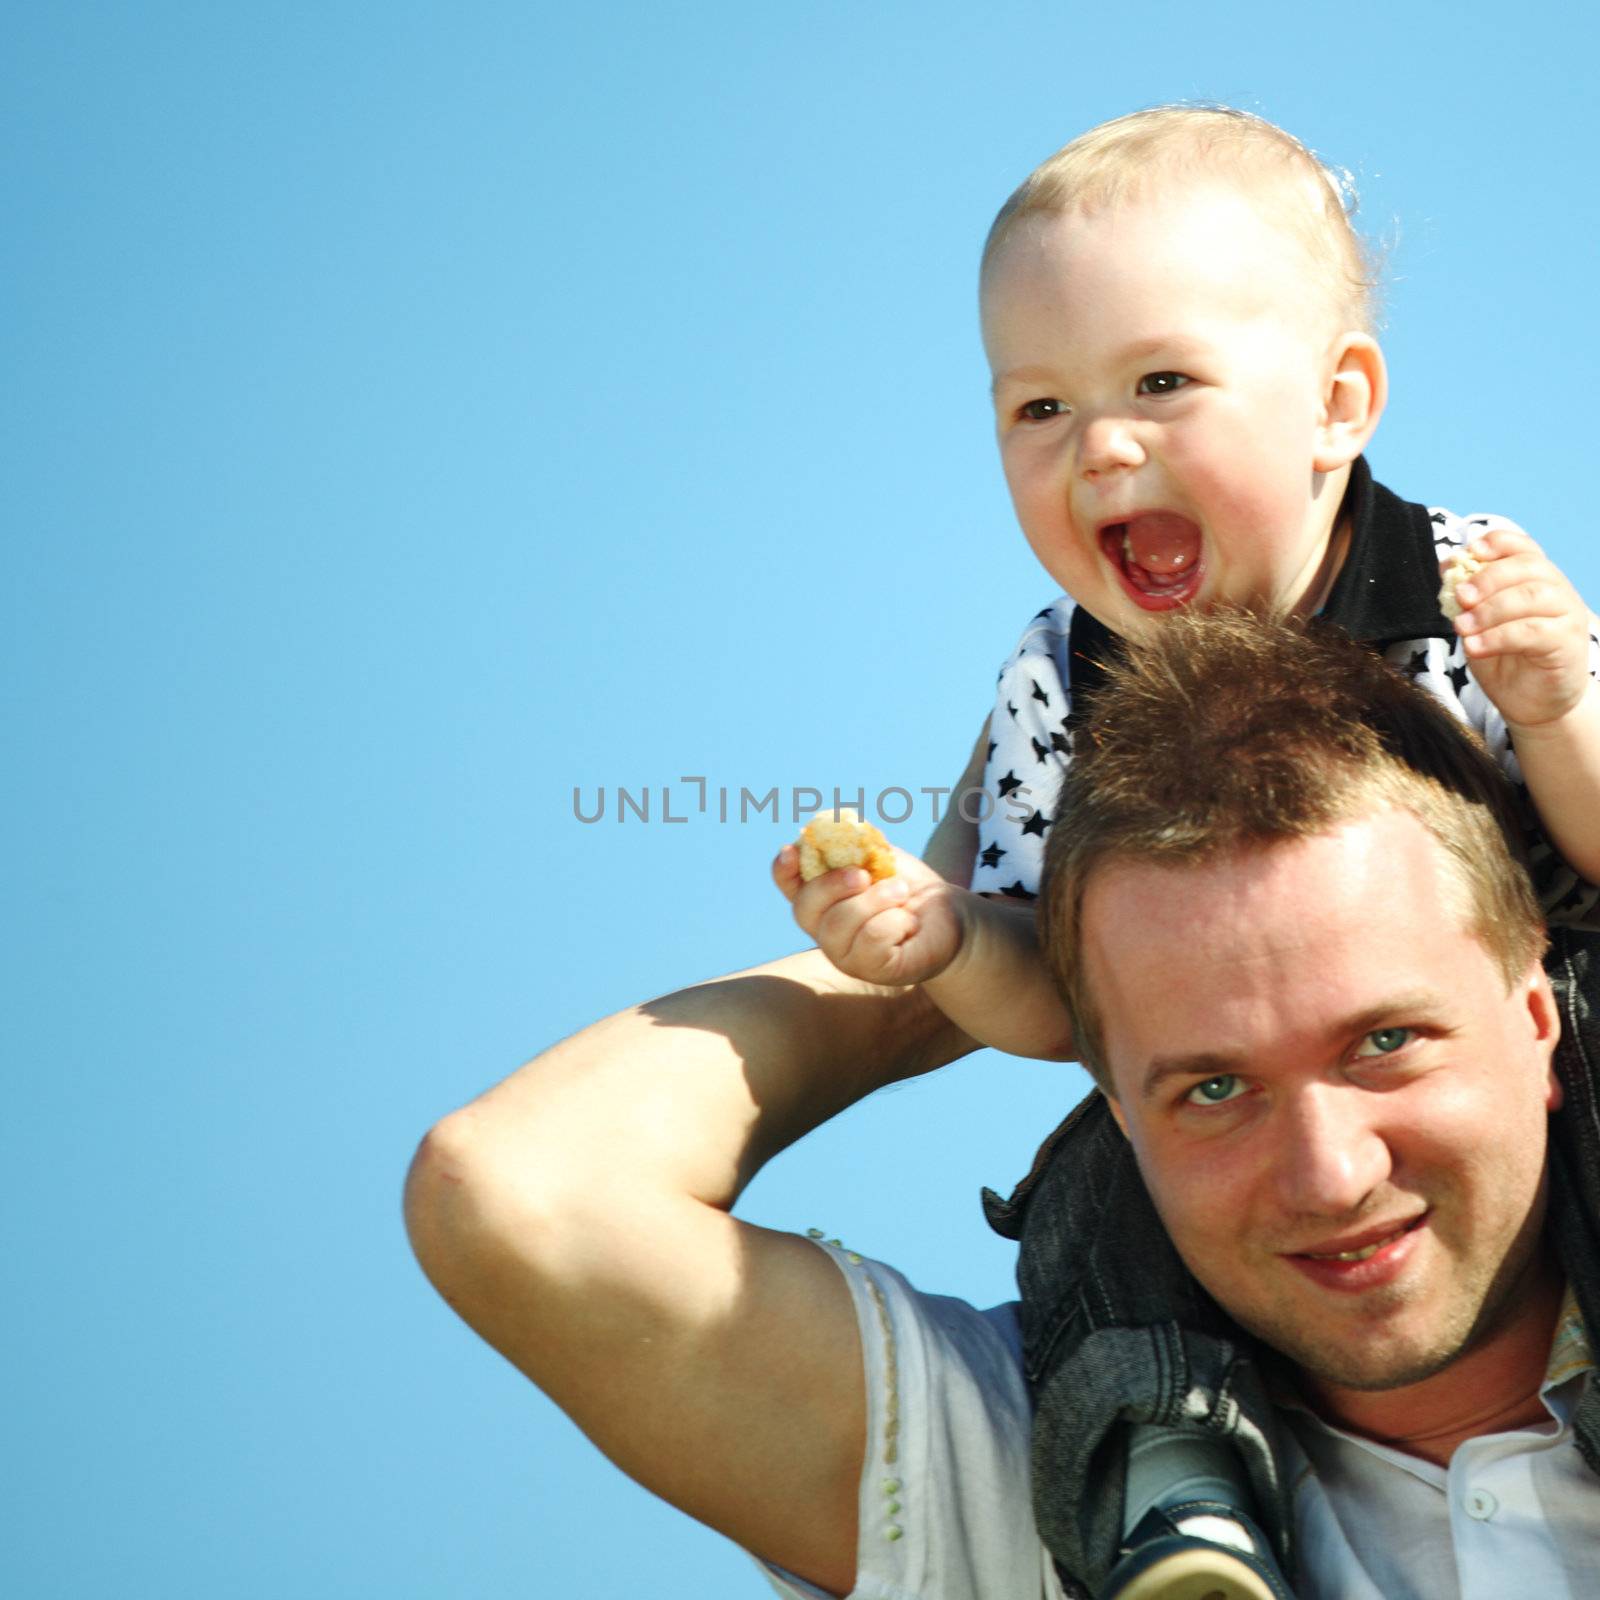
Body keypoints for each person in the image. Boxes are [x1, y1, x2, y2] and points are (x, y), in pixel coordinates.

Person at [773, 106, 1600, 1597]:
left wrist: (1562, 705)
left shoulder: (1464, 585)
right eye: (1038, 409)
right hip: (1235, 1095)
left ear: (1340, 404)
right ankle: (1176, 1483)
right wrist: (956, 944)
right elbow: (1072, 1014)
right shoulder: (1058, 681)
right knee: (1104, 1175)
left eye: (1162, 382)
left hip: (1549, 1053)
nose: (1102, 448)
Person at [404, 612, 1600, 1600]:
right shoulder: (1043, 1487)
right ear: (1119, 1112)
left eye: (1385, 1041)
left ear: (1538, 1012)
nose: (1327, 1171)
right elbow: (518, 1193)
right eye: (1212, 1086)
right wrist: (949, 951)